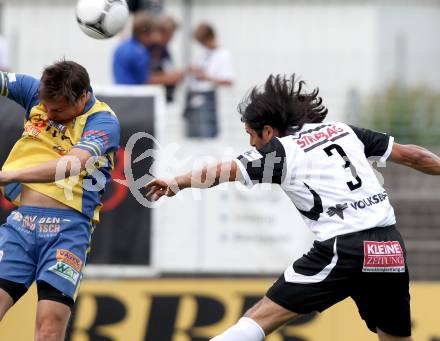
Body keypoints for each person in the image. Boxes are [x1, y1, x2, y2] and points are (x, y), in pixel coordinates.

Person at [146, 74, 440, 341]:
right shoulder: (342, 130)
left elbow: (226, 170)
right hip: (389, 247)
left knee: (260, 318)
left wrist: (177, 183)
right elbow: (413, 156)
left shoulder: (282, 151)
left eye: (251, 134)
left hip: (344, 247)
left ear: (269, 131)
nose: (251, 142)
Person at [0, 60, 120, 341]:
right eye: (47, 108)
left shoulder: (103, 121)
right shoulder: (35, 92)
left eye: (59, 110)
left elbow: (69, 166)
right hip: (20, 226)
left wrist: (7, 175)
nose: (50, 114)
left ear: (83, 96)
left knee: (49, 328)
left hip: (67, 233)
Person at [184, 22, 235, 138]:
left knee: (207, 134)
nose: (203, 45)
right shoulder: (201, 53)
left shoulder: (223, 55)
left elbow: (228, 81)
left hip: (210, 99)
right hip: (194, 97)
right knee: (193, 133)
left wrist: (206, 77)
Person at [113, 11, 183, 87]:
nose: (155, 37)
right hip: (135, 95)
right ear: (144, 34)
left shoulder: (122, 47)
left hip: (120, 93)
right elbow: (145, 80)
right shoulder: (140, 52)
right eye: (153, 32)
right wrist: (171, 78)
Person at [149, 14, 181, 102]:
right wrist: (171, 78)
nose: (172, 37)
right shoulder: (151, 48)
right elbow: (147, 78)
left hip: (163, 98)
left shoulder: (164, 49)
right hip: (151, 98)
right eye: (171, 33)